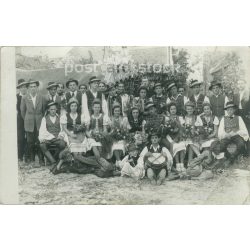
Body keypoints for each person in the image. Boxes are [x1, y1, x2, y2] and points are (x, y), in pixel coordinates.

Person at [20, 80, 46, 167]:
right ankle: (32, 160)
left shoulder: (41, 97)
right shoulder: (24, 98)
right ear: (28, 88)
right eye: (31, 87)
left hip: (39, 123)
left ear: (37, 87)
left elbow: (44, 110)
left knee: (40, 141)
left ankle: (41, 160)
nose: (33, 88)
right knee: (30, 142)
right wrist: (28, 119)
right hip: (29, 123)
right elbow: (22, 111)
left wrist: (40, 120)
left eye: (34, 86)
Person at [39, 101, 66, 167]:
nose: (53, 111)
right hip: (48, 138)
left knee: (62, 144)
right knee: (42, 145)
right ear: (48, 110)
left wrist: (60, 135)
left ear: (56, 109)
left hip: (57, 138)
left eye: (54, 109)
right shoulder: (44, 118)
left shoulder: (60, 118)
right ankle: (53, 162)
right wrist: (43, 138)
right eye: (51, 109)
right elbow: (42, 130)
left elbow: (63, 129)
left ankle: (53, 159)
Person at [164, 102, 186, 174]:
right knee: (175, 145)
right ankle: (177, 164)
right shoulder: (167, 118)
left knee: (182, 144)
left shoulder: (180, 117)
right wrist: (172, 140)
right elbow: (166, 131)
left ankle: (181, 164)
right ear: (169, 110)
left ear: (176, 110)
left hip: (179, 136)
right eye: (171, 109)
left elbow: (183, 128)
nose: (173, 110)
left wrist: (179, 136)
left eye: (174, 109)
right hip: (170, 137)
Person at [180, 101, 200, 166]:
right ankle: (198, 155)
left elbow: (199, 128)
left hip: (194, 138)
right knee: (189, 142)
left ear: (193, 109)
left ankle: (189, 162)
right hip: (185, 138)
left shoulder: (197, 117)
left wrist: (195, 131)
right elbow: (182, 129)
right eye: (188, 109)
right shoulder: (183, 118)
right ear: (186, 109)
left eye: (191, 109)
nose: (189, 110)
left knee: (191, 142)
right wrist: (185, 132)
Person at [109, 103, 129, 168]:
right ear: (113, 111)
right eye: (116, 111)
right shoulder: (110, 119)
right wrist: (113, 133)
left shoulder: (123, 119)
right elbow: (109, 130)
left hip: (121, 137)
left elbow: (125, 130)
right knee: (114, 145)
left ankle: (118, 161)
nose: (117, 112)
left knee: (121, 144)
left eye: (118, 111)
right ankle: (119, 161)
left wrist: (122, 133)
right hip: (112, 137)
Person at [16, 79, 28, 163]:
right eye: (22, 87)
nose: (23, 89)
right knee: (20, 137)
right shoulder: (16, 97)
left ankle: (27, 156)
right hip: (19, 119)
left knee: (28, 137)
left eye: (25, 87)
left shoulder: (28, 96)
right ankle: (20, 155)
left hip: (28, 118)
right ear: (19, 88)